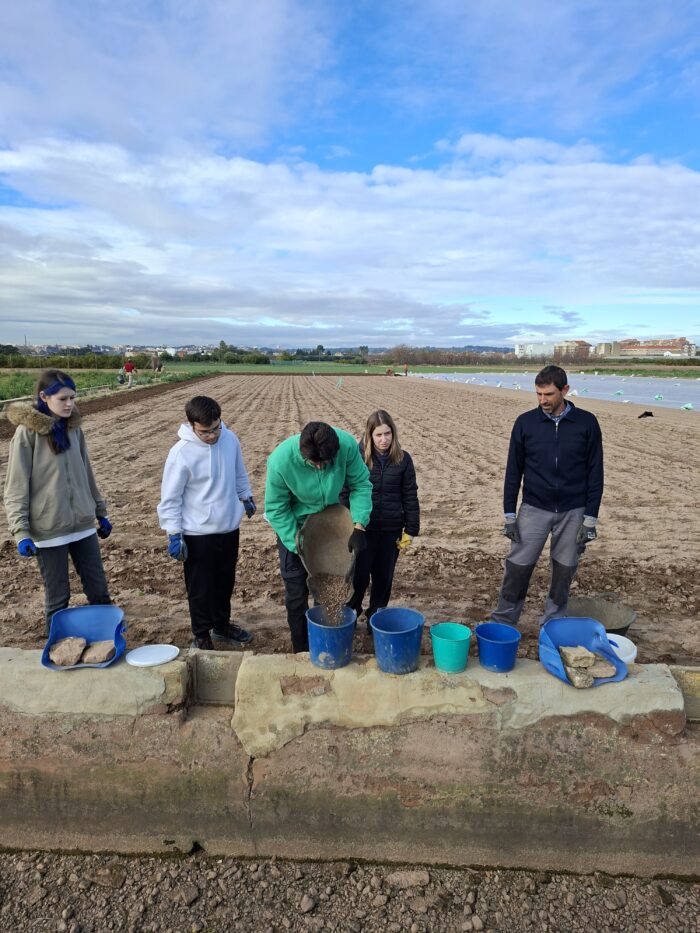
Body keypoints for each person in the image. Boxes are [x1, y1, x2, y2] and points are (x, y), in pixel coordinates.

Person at [490, 364, 604, 626]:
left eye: (549, 394)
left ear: (565, 390)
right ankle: (503, 621)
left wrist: (590, 520)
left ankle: (553, 623)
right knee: (517, 568)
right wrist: (509, 515)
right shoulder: (525, 423)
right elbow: (513, 472)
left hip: (573, 511)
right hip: (533, 509)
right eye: (539, 394)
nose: (543, 400)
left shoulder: (586, 423)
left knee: (564, 571)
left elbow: (595, 473)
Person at [3, 369, 113, 632]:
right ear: (44, 396)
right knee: (58, 597)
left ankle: (106, 639)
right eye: (63, 398)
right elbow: (16, 486)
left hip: (83, 524)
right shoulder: (27, 434)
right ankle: (58, 650)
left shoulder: (75, 429)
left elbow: (86, 473)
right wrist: (21, 531)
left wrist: (99, 511)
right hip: (49, 529)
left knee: (98, 590)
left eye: (72, 398)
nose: (69, 404)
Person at [264, 421, 373, 653]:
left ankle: (324, 643)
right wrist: (298, 544)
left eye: (327, 463)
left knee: (328, 586)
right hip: (296, 525)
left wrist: (359, 525)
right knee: (296, 592)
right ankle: (301, 649)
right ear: (304, 455)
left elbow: (361, 484)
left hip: (330, 523)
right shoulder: (280, 461)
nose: (322, 468)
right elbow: (276, 508)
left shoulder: (347, 445)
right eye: (316, 464)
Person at [157, 396, 255, 650]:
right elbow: (171, 497)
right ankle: (201, 634)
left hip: (228, 527)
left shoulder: (230, 439)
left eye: (216, 428)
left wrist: (245, 496)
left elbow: (239, 472)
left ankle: (221, 626)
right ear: (192, 426)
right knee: (201, 588)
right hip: (197, 532)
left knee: (225, 582)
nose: (212, 436)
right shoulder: (181, 454)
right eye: (205, 432)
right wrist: (174, 533)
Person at [343, 410, 420, 625]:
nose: (384, 440)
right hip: (362, 530)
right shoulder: (357, 458)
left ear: (393, 434)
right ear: (369, 435)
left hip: (391, 530)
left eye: (388, 434)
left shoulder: (403, 459)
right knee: (357, 576)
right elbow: (345, 491)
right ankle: (351, 614)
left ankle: (375, 618)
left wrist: (411, 529)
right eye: (378, 435)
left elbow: (410, 494)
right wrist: (346, 524)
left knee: (383, 578)